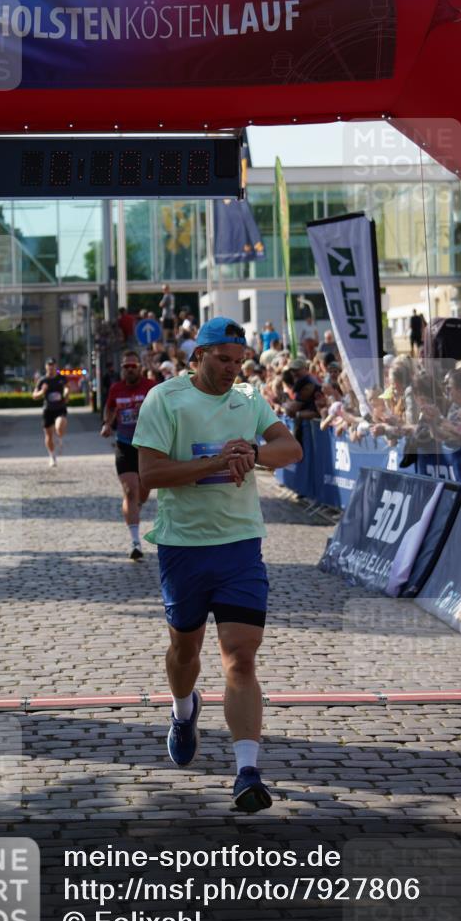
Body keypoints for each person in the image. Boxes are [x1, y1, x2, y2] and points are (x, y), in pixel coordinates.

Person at [133, 317, 302, 813]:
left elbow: (290, 448)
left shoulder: (248, 400)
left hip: (240, 545)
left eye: (239, 360)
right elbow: (150, 474)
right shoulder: (164, 399)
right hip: (183, 547)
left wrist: (253, 451)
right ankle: (184, 710)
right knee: (185, 653)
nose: (232, 369)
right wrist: (213, 462)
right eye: (222, 359)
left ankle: (247, 771)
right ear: (198, 357)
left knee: (241, 658)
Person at [101, 351, 155, 560]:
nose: (130, 369)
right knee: (129, 491)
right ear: (122, 369)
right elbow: (110, 408)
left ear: (139, 368)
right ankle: (135, 542)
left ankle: (137, 507)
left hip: (147, 445)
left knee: (143, 490)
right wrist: (107, 424)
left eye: (133, 366)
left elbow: (163, 410)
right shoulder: (116, 388)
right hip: (124, 444)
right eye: (126, 366)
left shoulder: (150, 387)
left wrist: (147, 408)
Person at [33, 358, 69, 468]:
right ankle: (52, 456)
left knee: (59, 424)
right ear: (46, 367)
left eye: (53, 365)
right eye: (49, 365)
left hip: (60, 408)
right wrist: (42, 391)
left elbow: (67, 389)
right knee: (48, 435)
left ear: (56, 366)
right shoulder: (42, 380)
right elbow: (34, 396)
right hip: (47, 409)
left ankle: (60, 437)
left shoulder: (62, 378)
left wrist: (66, 393)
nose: (51, 367)